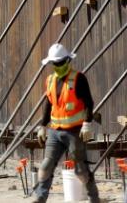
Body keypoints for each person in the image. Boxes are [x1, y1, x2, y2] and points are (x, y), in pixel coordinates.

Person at [32, 43, 100, 203]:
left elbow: (89, 102)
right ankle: (40, 198)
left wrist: (87, 123)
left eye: (61, 62)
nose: (58, 66)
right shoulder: (50, 80)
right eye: (55, 63)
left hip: (74, 132)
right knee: (46, 166)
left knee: (81, 170)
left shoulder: (78, 79)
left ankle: (94, 199)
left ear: (68, 60)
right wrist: (42, 125)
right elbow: (49, 104)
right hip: (55, 132)